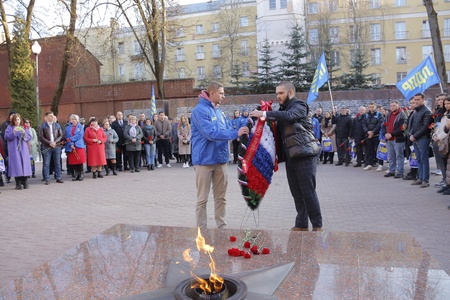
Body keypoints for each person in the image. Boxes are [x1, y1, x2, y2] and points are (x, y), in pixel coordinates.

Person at [250, 81, 322, 231]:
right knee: (297, 193)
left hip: (305, 154)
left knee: (308, 192)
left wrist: (264, 114)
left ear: (290, 93)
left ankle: (317, 225)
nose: (278, 96)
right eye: (276, 93)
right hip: (292, 156)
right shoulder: (283, 109)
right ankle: (301, 224)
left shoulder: (299, 106)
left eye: (281, 93)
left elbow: (289, 116)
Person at [191, 81, 249, 229]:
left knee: (221, 197)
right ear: (212, 93)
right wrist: (235, 133)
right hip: (204, 161)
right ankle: (201, 229)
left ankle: (221, 225)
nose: (223, 96)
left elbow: (227, 128)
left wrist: (246, 125)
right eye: (221, 93)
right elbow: (210, 133)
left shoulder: (219, 111)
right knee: (202, 199)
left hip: (221, 160)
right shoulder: (200, 111)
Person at [408, 93, 432, 188]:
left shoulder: (426, 111)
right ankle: (420, 178)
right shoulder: (416, 111)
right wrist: (411, 134)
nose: (416, 101)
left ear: (423, 100)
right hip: (415, 138)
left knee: (424, 159)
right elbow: (412, 125)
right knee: (418, 159)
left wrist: (415, 135)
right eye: (415, 100)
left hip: (423, 138)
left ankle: (425, 180)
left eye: (418, 99)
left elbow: (425, 126)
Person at [4, 113, 32, 190]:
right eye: (15, 120)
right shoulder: (9, 128)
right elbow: (6, 137)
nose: (17, 121)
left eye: (18, 119)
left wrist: (24, 133)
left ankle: (25, 181)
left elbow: (29, 137)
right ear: (13, 120)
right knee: (17, 166)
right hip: (14, 150)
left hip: (23, 150)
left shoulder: (23, 128)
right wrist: (13, 132)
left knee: (24, 165)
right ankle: (18, 183)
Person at [381, 100, 407, 178]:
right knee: (391, 156)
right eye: (391, 105)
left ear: (398, 105)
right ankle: (391, 171)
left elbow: (402, 128)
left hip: (397, 138)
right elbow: (384, 126)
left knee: (399, 156)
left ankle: (400, 172)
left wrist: (391, 134)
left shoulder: (402, 115)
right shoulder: (388, 115)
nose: (392, 107)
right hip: (389, 139)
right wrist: (385, 133)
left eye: (394, 105)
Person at [39, 111, 64, 185]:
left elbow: (60, 135)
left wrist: (55, 142)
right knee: (46, 163)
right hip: (46, 146)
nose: (52, 117)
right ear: (45, 117)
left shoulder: (57, 125)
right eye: (50, 116)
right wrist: (49, 142)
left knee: (57, 162)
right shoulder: (42, 126)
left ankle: (58, 177)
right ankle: (47, 178)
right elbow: (41, 137)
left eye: (52, 116)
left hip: (56, 146)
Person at [362, 102, 384, 170]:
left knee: (379, 150)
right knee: (369, 150)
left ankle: (380, 164)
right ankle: (370, 163)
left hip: (376, 135)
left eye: (373, 107)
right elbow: (364, 124)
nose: (371, 108)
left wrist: (373, 132)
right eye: (370, 107)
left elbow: (380, 124)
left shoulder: (379, 114)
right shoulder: (366, 115)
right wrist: (367, 131)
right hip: (368, 135)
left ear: (375, 107)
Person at [65, 114, 86, 181]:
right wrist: (71, 143)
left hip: (78, 145)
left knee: (79, 160)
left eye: (74, 119)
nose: (73, 121)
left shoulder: (80, 127)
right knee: (73, 161)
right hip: (71, 146)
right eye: (72, 119)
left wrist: (71, 139)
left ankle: (81, 174)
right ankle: (76, 174)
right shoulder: (68, 128)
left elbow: (79, 135)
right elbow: (67, 137)